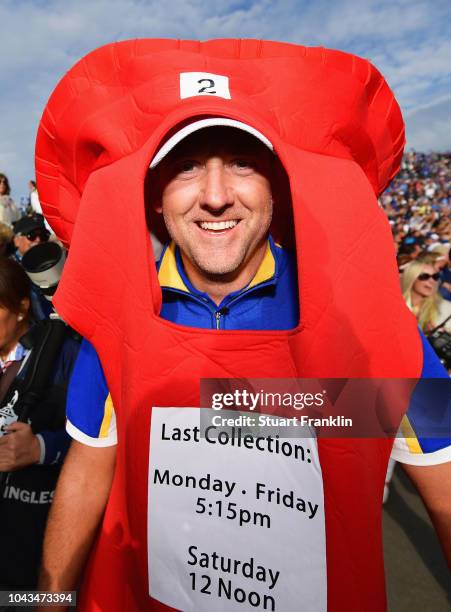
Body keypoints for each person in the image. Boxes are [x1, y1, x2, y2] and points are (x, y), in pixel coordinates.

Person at [35, 40, 450, 612]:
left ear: (277, 187)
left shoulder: (370, 324)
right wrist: (43, 600)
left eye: (242, 162)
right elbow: (86, 472)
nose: (215, 196)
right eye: (186, 168)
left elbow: (445, 487)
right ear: (156, 198)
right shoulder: (119, 319)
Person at [0, 257, 79, 591]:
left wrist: (42, 449)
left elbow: (101, 444)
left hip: (32, 539)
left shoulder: (64, 353)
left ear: (20, 306)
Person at [401, 260, 451, 334]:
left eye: (435, 277)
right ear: (411, 278)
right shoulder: (395, 304)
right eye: (424, 276)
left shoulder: (446, 309)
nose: (431, 281)